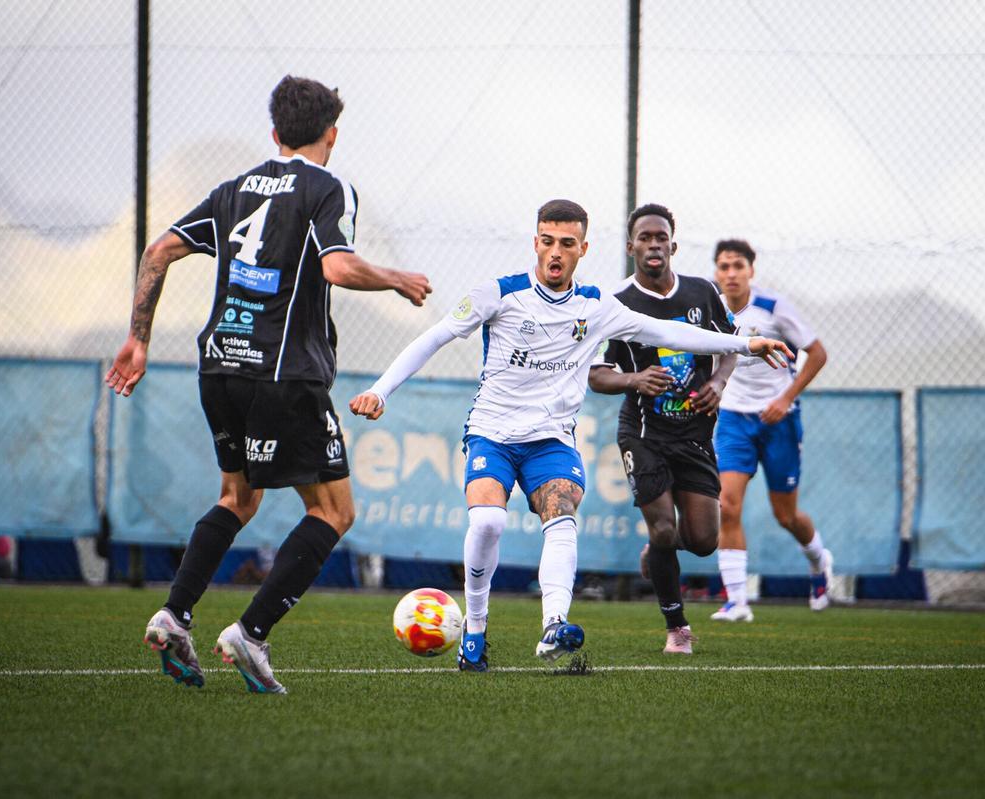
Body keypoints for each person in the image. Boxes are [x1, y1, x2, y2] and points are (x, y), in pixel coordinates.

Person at [348, 200, 792, 672]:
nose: (555, 252)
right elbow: (433, 338)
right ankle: (474, 630)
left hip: (551, 441)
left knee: (562, 518)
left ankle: (554, 625)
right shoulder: (498, 294)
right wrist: (380, 390)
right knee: (489, 523)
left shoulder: (597, 306)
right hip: (492, 434)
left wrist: (747, 344)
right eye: (547, 241)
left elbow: (669, 332)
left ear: (583, 248)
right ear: (535, 243)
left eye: (566, 243)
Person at [106, 76, 431, 693]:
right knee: (333, 510)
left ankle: (174, 615)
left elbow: (157, 252)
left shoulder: (233, 189)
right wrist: (395, 278)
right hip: (284, 374)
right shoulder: (328, 187)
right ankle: (250, 633)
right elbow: (337, 266)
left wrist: (138, 338)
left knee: (238, 497)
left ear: (275, 131)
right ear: (332, 133)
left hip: (219, 365)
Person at [588, 204, 736, 654]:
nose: (653, 244)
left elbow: (731, 345)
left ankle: (657, 551)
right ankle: (677, 629)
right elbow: (596, 374)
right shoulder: (615, 304)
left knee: (704, 541)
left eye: (660, 237)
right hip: (643, 433)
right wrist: (634, 379)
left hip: (695, 434)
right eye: (644, 237)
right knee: (665, 530)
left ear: (673, 245)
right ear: (630, 246)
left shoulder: (702, 293)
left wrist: (718, 382)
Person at [710, 239, 830, 622]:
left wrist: (785, 399)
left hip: (779, 420)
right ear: (716, 272)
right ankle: (737, 602)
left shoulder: (774, 307)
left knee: (786, 516)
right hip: (733, 418)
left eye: (738, 266)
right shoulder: (710, 308)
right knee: (727, 505)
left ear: (751, 271)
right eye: (724, 266)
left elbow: (818, 353)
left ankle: (819, 561)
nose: (731, 274)